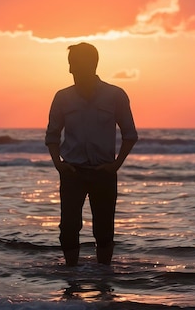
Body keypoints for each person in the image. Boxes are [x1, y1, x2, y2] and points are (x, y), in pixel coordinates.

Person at [45, 42, 138, 267]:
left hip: (103, 172)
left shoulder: (115, 95)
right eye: (70, 65)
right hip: (72, 172)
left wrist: (116, 165)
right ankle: (71, 281)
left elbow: (130, 134)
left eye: (76, 64)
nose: (72, 70)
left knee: (104, 229)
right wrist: (58, 164)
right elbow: (52, 136)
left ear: (93, 64)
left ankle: (104, 282)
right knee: (68, 227)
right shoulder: (62, 97)